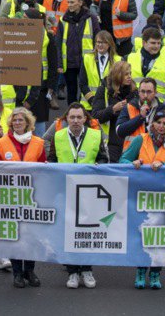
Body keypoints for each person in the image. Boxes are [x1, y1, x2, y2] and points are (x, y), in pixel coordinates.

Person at [121, 109, 165, 289]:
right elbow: (123, 160)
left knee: (160, 237)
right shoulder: (141, 139)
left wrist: (164, 166)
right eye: (159, 123)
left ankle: (155, 273)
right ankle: (140, 271)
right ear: (152, 124)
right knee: (143, 234)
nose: (162, 127)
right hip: (142, 196)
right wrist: (134, 163)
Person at [48, 103, 106, 288]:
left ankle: (87, 269)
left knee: (88, 231)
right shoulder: (58, 136)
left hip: (89, 190)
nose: (75, 121)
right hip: (65, 190)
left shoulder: (96, 135)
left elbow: (103, 158)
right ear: (66, 119)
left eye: (79, 117)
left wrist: (99, 166)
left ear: (85, 119)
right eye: (71, 117)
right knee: (68, 232)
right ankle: (72, 271)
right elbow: (51, 160)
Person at [0, 107, 45, 288]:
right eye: (14, 120)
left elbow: (43, 168)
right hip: (11, 196)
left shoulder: (39, 143)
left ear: (28, 123)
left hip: (32, 195)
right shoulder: (1, 143)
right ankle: (17, 273)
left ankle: (29, 270)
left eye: (20, 120)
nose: (17, 123)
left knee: (31, 235)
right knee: (15, 236)